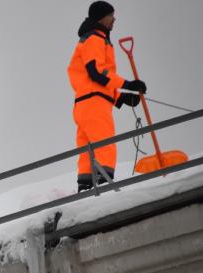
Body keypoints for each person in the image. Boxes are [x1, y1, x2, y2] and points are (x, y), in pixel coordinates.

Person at [68, 1, 146, 192]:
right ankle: (105, 187)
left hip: (84, 103)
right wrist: (127, 85)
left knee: (87, 150)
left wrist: (121, 98)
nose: (114, 19)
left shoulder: (90, 39)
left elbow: (93, 81)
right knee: (105, 145)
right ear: (102, 17)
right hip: (95, 104)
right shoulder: (95, 39)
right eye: (111, 15)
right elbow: (97, 72)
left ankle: (85, 187)